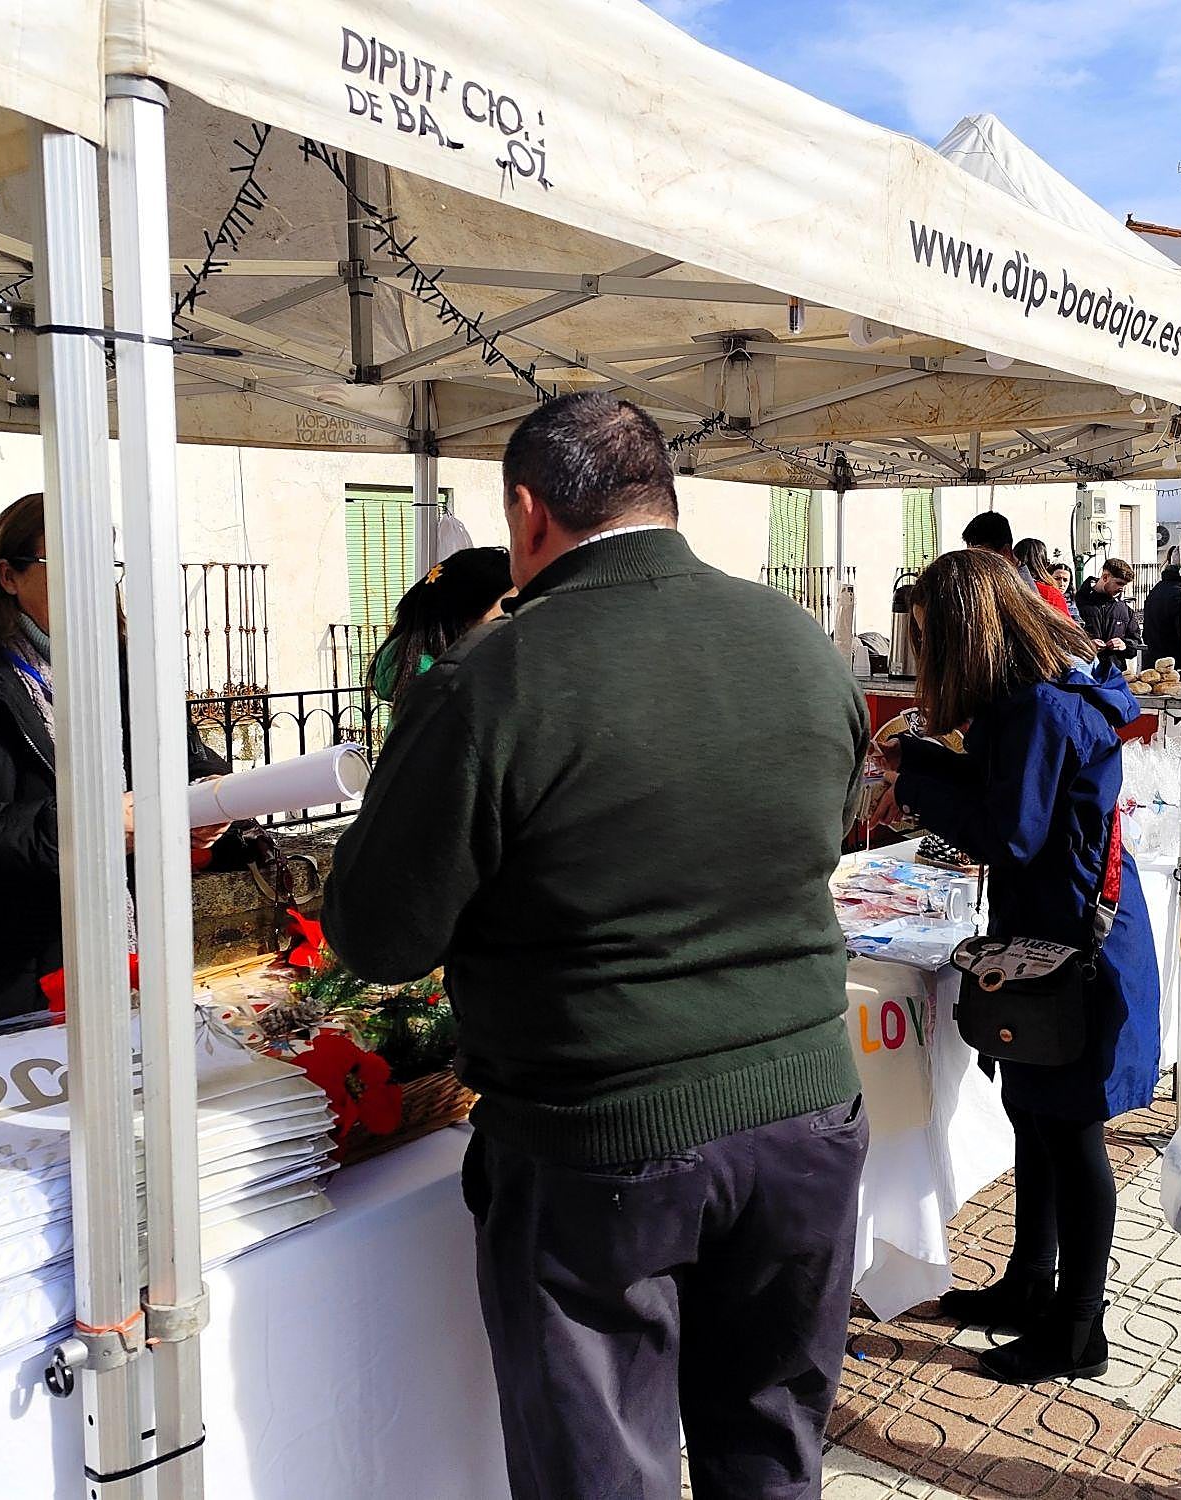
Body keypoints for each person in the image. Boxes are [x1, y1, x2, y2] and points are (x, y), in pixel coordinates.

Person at [321, 393, 871, 1500]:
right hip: (806, 1110)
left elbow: (377, 934)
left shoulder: (489, 680)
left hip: (601, 1135)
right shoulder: (799, 643)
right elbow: (825, 822)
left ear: (527, 513)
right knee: (772, 1448)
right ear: (664, 498)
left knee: (598, 1475)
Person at [870, 548, 1159, 1386]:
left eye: (929, 638)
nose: (923, 655)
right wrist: (918, 764)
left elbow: (1012, 831)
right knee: (1034, 1120)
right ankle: (1031, 1282)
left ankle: (1078, 1325)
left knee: (1070, 1137)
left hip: (1078, 950)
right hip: (1045, 941)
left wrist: (918, 778)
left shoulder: (1038, 706)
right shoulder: (1024, 701)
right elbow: (1006, 801)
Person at [0, 493, 230, 1044]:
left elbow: (187, 757)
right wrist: (89, 827)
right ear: (7, 576)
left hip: (125, 940)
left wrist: (207, 805)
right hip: (3, 975)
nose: (90, 580)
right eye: (64, 562)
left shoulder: (124, 661)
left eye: (100, 562)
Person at [366, 545, 515, 712]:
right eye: (508, 605)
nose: (518, 614)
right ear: (467, 612)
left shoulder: (426, 669)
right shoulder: (440, 683)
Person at [1077, 558, 1141, 670]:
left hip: (1114, 675)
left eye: (1124, 585)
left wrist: (1124, 645)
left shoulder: (1125, 609)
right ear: (1105, 577)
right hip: (1083, 673)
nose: (1121, 588)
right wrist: (1086, 645)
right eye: (1119, 583)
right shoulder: (1078, 602)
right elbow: (1064, 638)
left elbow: (1136, 643)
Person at [1012, 537, 1075, 619]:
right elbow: (1068, 628)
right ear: (1044, 563)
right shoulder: (1050, 594)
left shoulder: (1003, 586)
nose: (1062, 583)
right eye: (1058, 578)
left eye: (1065, 580)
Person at [1142, 561, 1181, 668]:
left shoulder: (1156, 589)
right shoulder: (1180, 593)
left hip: (1154, 655)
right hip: (1173, 661)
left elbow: (1146, 633)